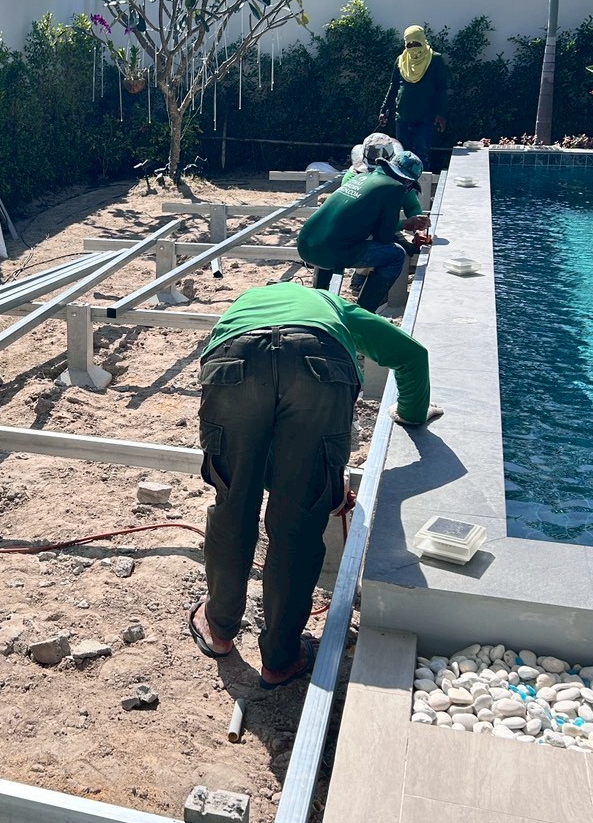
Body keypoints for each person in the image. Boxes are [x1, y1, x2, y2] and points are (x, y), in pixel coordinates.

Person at [189, 282, 442, 687]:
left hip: (235, 358)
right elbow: (412, 355)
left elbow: (259, 431)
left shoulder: (243, 307)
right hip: (320, 360)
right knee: (299, 519)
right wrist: (412, 413)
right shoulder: (335, 307)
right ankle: (281, 658)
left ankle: (218, 628)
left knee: (233, 500)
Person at [297, 149, 426, 311]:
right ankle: (364, 310)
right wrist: (406, 224)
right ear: (406, 180)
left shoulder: (360, 177)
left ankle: (320, 297)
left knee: (333, 239)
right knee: (396, 255)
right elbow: (384, 236)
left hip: (305, 244)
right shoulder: (395, 188)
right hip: (330, 253)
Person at [379, 26, 448, 170]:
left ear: (423, 40)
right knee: (401, 156)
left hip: (425, 117)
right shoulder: (401, 60)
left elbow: (442, 89)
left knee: (421, 155)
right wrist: (384, 109)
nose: (413, 47)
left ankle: (421, 183)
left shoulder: (435, 59)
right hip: (402, 116)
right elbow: (393, 86)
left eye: (416, 43)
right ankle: (402, 183)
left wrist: (441, 114)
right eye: (409, 44)